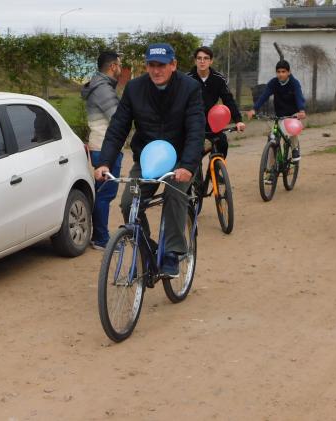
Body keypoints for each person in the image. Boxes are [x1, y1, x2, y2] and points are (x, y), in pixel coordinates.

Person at [94, 43, 205, 277]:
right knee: (127, 203)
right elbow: (117, 129)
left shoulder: (190, 88)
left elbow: (196, 130)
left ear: (173, 65)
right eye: (152, 65)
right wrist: (103, 162)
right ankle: (147, 247)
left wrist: (187, 166)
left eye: (162, 65)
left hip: (180, 159)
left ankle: (173, 252)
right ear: (146, 66)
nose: (156, 71)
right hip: (147, 159)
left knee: (175, 193)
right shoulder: (134, 89)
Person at [82, 51, 124, 249]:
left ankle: (98, 236)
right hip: (105, 147)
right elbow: (118, 119)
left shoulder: (100, 86)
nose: (121, 69)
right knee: (105, 194)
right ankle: (101, 239)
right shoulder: (104, 90)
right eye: (120, 65)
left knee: (102, 193)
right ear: (112, 66)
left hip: (99, 146)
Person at [186, 46, 245, 156]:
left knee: (222, 144)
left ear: (211, 61)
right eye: (199, 58)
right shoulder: (187, 79)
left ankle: (214, 172)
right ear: (195, 61)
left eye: (206, 58)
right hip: (192, 123)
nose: (202, 61)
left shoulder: (219, 79)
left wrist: (238, 120)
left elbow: (228, 100)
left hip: (212, 123)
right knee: (194, 155)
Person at [245, 60, 307, 161]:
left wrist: (301, 110)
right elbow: (264, 96)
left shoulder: (294, 83)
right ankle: (271, 168)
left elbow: (299, 97)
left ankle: (295, 149)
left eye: (283, 71)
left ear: (288, 72)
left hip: (293, 114)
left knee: (292, 130)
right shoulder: (273, 83)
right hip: (280, 114)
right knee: (272, 138)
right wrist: (254, 109)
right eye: (278, 72)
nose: (280, 74)